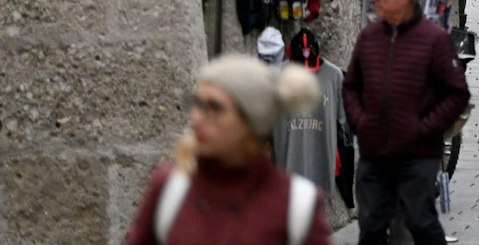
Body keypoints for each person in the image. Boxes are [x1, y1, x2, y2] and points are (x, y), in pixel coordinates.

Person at [123, 55, 330, 245]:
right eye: (196, 103)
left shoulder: (296, 204)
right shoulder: (170, 188)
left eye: (214, 107)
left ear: (251, 121)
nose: (196, 119)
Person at [344, 0, 472, 245]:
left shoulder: (434, 40)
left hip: (418, 154)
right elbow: (351, 86)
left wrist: (425, 129)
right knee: (371, 226)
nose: (374, 0)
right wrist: (360, 122)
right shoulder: (370, 37)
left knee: (420, 221)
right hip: (374, 151)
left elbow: (457, 94)